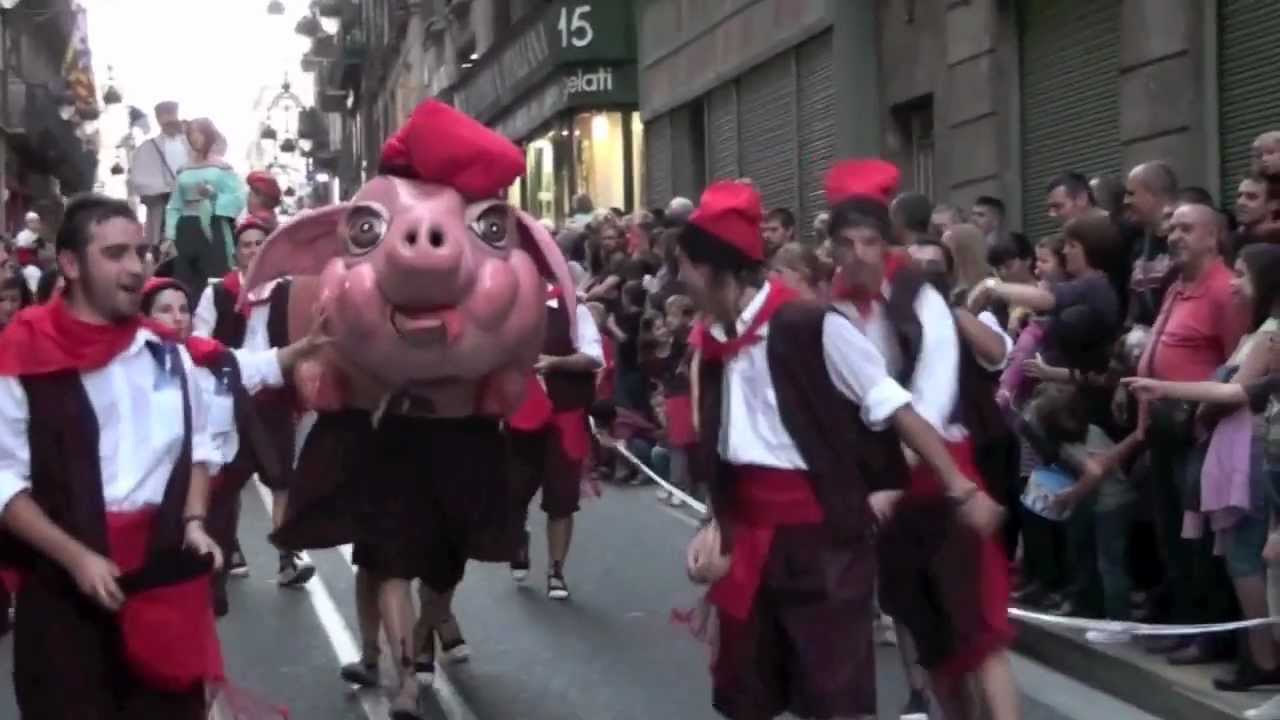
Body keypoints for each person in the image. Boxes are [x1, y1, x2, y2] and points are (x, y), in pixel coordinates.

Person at [679, 179, 1003, 720]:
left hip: (821, 539)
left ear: (714, 269)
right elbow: (729, 444)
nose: (679, 278)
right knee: (746, 694)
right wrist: (717, 522)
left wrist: (961, 487)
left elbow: (894, 407)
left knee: (833, 698)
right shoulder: (716, 340)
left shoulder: (811, 325)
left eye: (685, 265)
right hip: (751, 535)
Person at [0, 194, 223, 718]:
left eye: (140, 252)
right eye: (115, 253)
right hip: (63, 602)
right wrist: (76, 557)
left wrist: (194, 522)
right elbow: (5, 481)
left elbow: (199, 448)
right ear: (72, 264)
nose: (135, 267)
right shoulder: (20, 359)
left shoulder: (168, 356)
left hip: (161, 592)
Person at [826, 159, 1018, 720]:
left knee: (981, 632)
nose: (859, 252)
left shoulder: (922, 296)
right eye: (847, 239)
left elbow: (933, 392)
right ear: (833, 245)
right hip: (882, 491)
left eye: (869, 237)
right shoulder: (826, 309)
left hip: (939, 471)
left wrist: (898, 473)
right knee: (926, 631)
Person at [139, 276, 327, 614]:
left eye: (183, 309)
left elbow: (266, 364)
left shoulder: (215, 360)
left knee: (207, 600)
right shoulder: (132, 366)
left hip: (215, 500)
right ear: (144, 317)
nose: (178, 316)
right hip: (157, 506)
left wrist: (310, 343)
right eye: (165, 310)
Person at [192, 215, 313, 586]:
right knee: (227, 481)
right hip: (231, 396)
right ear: (237, 251)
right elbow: (199, 336)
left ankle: (287, 556)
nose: (254, 250)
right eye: (247, 244)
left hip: (275, 396)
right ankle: (228, 549)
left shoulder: (289, 291)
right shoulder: (218, 292)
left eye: (261, 243)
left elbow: (304, 334)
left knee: (281, 478)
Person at [506, 281, 605, 599]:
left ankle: (556, 570)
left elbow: (594, 356)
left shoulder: (574, 311)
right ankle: (518, 538)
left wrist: (555, 362)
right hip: (520, 417)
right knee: (514, 492)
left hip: (566, 417)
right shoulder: (506, 309)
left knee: (562, 499)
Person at [164, 118, 245, 297]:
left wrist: (214, 197)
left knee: (215, 277)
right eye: (191, 134)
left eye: (199, 133)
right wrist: (169, 235)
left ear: (208, 135)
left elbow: (239, 197)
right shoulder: (184, 170)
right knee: (184, 280)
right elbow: (174, 205)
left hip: (213, 226)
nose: (195, 138)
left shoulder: (222, 168)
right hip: (186, 227)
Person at [129, 101, 191, 248]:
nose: (170, 120)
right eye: (165, 116)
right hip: (163, 209)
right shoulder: (147, 148)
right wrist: (166, 187)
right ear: (158, 120)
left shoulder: (192, 143)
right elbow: (139, 182)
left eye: (172, 115)